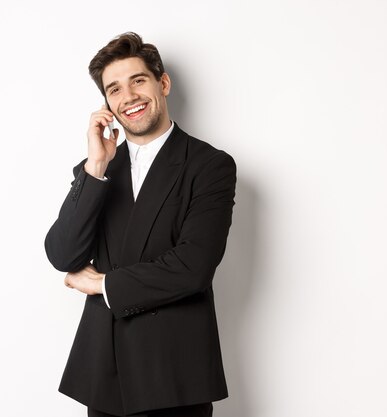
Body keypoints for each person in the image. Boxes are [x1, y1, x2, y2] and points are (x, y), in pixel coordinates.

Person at [45, 32, 236, 417]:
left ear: (162, 84)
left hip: (174, 375)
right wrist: (95, 167)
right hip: (105, 375)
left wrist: (102, 283)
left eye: (138, 80)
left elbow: (192, 268)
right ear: (107, 106)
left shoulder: (209, 166)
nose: (128, 96)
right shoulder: (97, 171)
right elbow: (63, 253)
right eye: (114, 89)